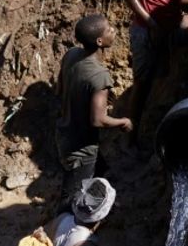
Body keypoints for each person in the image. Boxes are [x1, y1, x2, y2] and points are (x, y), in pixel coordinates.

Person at [56, 14, 132, 207]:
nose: (113, 30)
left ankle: (101, 208)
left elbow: (60, 88)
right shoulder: (99, 76)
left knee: (100, 170)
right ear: (99, 41)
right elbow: (98, 120)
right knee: (71, 198)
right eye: (108, 29)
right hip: (80, 148)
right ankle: (61, 230)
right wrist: (123, 121)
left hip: (65, 131)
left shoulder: (71, 55)